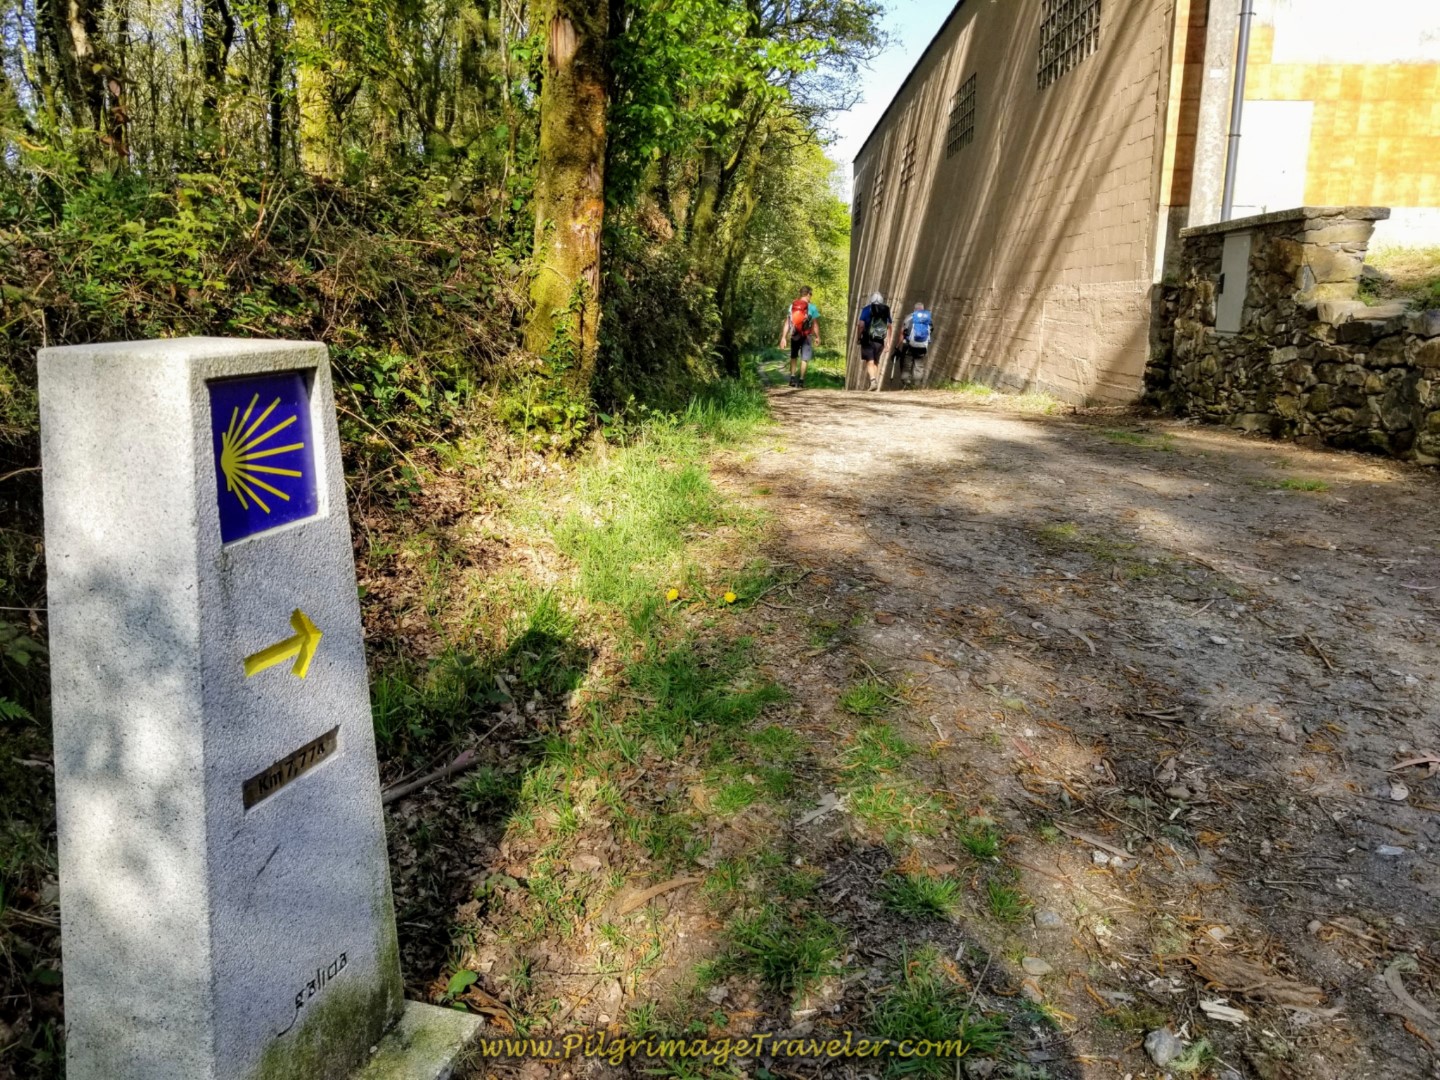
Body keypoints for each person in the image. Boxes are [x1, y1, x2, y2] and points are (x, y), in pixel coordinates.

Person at [779, 287, 820, 388]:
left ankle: (792, 378)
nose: (811, 297)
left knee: (793, 356)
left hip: (795, 333)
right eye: (811, 294)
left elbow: (788, 322)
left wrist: (783, 337)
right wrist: (818, 336)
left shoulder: (792, 306)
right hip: (807, 335)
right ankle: (801, 380)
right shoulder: (812, 307)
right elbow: (815, 324)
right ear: (808, 294)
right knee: (804, 358)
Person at [856, 292, 894, 391]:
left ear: (871, 300)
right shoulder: (885, 310)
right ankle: (874, 381)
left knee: (869, 360)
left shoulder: (866, 309)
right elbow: (889, 327)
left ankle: (873, 381)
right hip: (880, 340)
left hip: (868, 339)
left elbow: (860, 325)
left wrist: (858, 337)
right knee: (876, 361)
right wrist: (888, 342)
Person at [898, 302, 934, 388]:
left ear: (914, 309)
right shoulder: (928, 319)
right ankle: (916, 386)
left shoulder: (910, 317)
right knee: (919, 366)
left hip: (909, 345)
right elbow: (931, 330)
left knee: (907, 365)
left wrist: (898, 345)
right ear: (923, 309)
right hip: (922, 346)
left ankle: (906, 384)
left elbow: (903, 331)